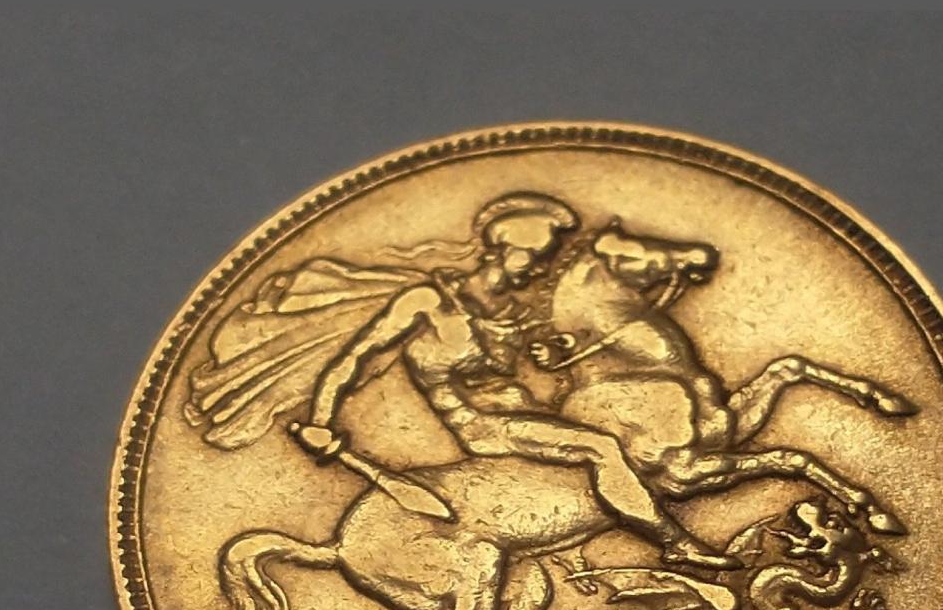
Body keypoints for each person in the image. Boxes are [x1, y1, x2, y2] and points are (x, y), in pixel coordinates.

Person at [292, 192, 734, 569]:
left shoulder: (511, 312)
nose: (538, 270)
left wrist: (555, 352)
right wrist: (320, 420)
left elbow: (542, 360)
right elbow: (354, 358)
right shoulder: (426, 302)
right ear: (503, 251)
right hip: (483, 425)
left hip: (530, 414)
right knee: (599, 447)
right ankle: (675, 544)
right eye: (535, 258)